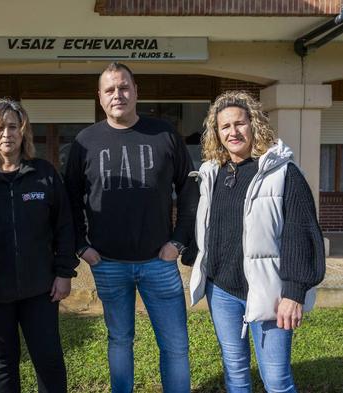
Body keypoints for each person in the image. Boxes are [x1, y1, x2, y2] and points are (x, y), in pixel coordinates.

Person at [64, 62, 198, 393]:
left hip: (160, 262)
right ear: (100, 96)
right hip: (108, 264)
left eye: (124, 87)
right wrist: (82, 246)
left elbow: (190, 188)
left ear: (136, 91)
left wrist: (179, 241)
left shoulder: (164, 134)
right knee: (120, 341)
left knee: (176, 345)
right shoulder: (85, 141)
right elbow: (68, 199)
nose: (117, 95)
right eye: (110, 90)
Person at [189, 91, 326, 392]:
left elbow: (300, 234)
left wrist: (294, 292)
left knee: (276, 380)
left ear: (255, 125)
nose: (233, 132)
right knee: (235, 371)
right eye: (225, 126)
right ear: (216, 132)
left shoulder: (282, 172)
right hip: (221, 290)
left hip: (271, 295)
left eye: (240, 123)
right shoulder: (212, 173)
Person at [0, 99, 78, 393]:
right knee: (2, 363)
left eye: (13, 126)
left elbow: (64, 226)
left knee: (48, 360)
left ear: (23, 131)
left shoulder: (44, 174)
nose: (6, 134)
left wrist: (65, 273)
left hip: (41, 290)